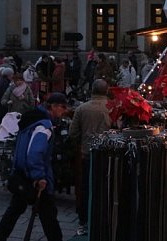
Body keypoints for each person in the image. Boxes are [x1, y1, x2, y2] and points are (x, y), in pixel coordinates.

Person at [0, 92, 69, 241]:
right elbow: (35, 153)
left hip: (22, 173)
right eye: (63, 107)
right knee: (48, 216)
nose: (65, 111)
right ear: (53, 106)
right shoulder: (44, 126)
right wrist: (39, 176)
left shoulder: (31, 119)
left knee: (14, 211)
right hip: (34, 177)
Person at [68, 79, 112, 236]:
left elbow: (73, 132)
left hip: (88, 153)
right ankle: (104, 218)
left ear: (92, 90)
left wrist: (81, 142)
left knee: (87, 187)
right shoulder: (112, 108)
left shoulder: (82, 108)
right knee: (106, 187)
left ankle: (84, 220)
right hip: (109, 154)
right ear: (106, 91)